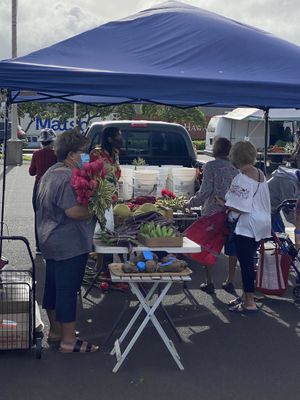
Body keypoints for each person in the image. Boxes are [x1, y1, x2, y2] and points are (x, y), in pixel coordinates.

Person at [36, 128, 98, 353]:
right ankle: (69, 341)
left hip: (49, 239)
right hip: (67, 243)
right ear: (72, 155)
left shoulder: (52, 171)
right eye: (84, 153)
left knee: (52, 288)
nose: (87, 157)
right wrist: (95, 207)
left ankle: (55, 332)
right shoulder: (66, 177)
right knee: (67, 291)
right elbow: (73, 211)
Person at [185, 137, 238, 294]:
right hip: (231, 213)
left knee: (207, 245)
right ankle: (230, 280)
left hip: (212, 213)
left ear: (216, 150)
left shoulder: (210, 166)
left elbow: (205, 191)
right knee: (231, 248)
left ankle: (209, 281)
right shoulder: (235, 168)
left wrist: (189, 203)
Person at [222, 141, 271, 312]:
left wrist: (223, 203)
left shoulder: (241, 178)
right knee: (250, 259)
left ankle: (249, 301)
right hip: (263, 223)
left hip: (247, 225)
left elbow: (238, 205)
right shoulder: (260, 174)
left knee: (246, 263)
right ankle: (246, 294)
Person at [29, 128, 57, 254]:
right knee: (53, 215)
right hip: (53, 186)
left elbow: (31, 172)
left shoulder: (36, 154)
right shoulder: (56, 154)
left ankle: (39, 247)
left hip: (38, 186)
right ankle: (51, 244)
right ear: (52, 141)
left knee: (38, 216)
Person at [267, 166, 300, 232]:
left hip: (273, 208)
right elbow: (288, 211)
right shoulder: (288, 182)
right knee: (280, 234)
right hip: (266, 209)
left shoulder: (295, 178)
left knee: (281, 233)